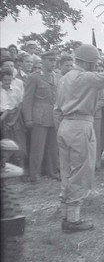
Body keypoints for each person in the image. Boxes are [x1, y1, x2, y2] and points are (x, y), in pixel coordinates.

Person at [54, 45, 104, 232]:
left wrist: (62, 128)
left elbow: (56, 109)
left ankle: (66, 214)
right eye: (95, 62)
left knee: (67, 171)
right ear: (90, 62)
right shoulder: (86, 78)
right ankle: (72, 220)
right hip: (81, 124)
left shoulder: (64, 78)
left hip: (65, 124)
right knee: (80, 172)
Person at [22, 50, 59, 182]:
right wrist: (28, 118)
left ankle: (52, 171)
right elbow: (27, 100)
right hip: (39, 117)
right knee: (37, 148)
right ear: (42, 61)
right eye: (50, 60)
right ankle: (34, 174)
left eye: (54, 60)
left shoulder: (56, 76)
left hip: (53, 117)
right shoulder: (34, 77)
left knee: (52, 147)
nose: (53, 63)